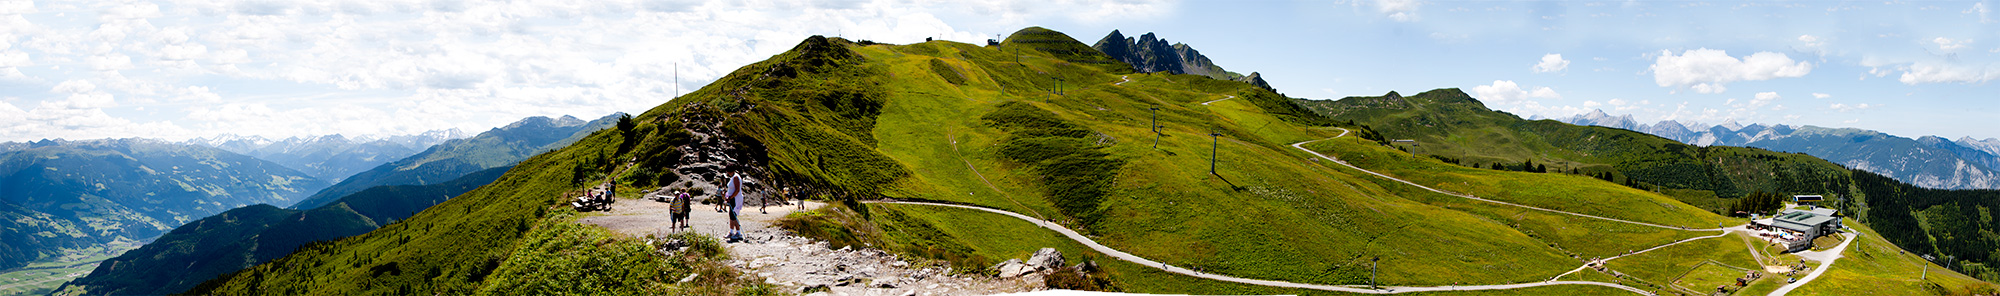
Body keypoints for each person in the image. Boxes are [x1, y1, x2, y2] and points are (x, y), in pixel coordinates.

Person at [725, 170, 744, 242]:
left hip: (735, 199)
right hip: (732, 198)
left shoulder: (735, 177)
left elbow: (737, 190)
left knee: (733, 215)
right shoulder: (733, 177)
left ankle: (735, 232)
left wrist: (730, 197)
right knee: (732, 215)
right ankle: (734, 232)